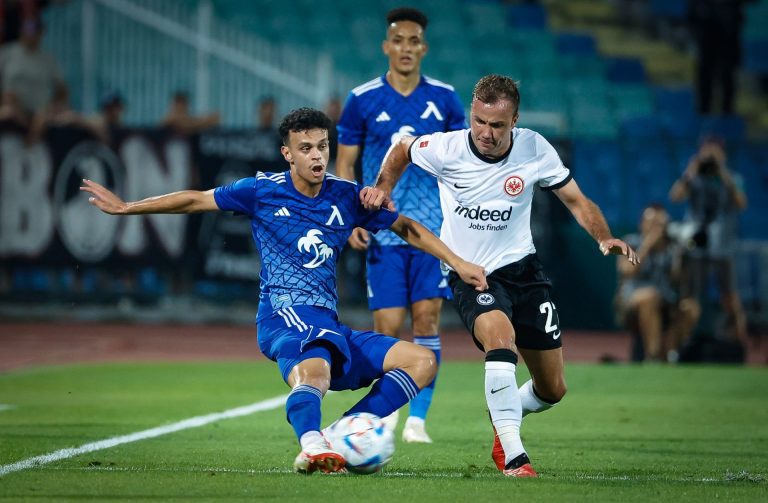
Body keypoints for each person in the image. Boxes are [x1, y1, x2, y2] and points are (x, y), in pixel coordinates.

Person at [81, 107, 487, 475]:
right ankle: (312, 445)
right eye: (305, 148)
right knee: (317, 369)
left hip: (327, 323)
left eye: (322, 146)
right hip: (283, 314)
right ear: (287, 153)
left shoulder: (346, 196)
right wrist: (128, 207)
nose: (317, 156)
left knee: (422, 362)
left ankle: (342, 433)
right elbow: (194, 200)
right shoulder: (261, 190)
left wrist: (458, 262)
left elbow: (406, 227)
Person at [360, 75, 638, 477]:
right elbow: (402, 148)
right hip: (472, 274)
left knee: (553, 389)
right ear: (471, 114)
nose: (486, 133)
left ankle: (504, 409)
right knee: (499, 338)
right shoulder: (446, 148)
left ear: (515, 121)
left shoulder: (534, 148)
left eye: (497, 125)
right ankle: (513, 455)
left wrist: (603, 236)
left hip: (525, 272)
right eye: (479, 121)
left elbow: (576, 200)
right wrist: (383, 188)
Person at [335, 6, 466, 444]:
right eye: (398, 40)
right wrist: (352, 216)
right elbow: (345, 164)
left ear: (423, 48)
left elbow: (461, 162)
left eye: (414, 41)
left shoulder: (445, 98)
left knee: (427, 321)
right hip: (382, 231)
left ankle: (417, 421)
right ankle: (387, 414)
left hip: (431, 231)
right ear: (386, 46)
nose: (406, 48)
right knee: (387, 328)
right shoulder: (362, 98)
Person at [669, 136, 748, 347]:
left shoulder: (732, 178)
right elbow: (675, 196)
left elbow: (741, 203)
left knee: (729, 295)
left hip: (722, 243)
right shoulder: (694, 177)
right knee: (689, 294)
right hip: (695, 242)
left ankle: (740, 341)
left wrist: (722, 172)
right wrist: (690, 171)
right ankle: (681, 342)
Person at [616, 204, 701, 362]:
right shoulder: (631, 242)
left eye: (661, 224)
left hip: (666, 300)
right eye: (652, 223)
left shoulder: (671, 248)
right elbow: (628, 271)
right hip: (632, 301)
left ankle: (669, 355)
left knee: (690, 308)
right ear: (642, 224)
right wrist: (647, 245)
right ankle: (652, 356)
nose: (657, 229)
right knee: (650, 296)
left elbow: (678, 281)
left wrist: (680, 257)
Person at [0, 17, 65, 122]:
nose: (30, 35)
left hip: (42, 114)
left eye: (35, 31)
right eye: (28, 30)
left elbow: (62, 88)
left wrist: (55, 106)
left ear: (41, 34)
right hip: (12, 111)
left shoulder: (48, 59)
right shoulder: (6, 53)